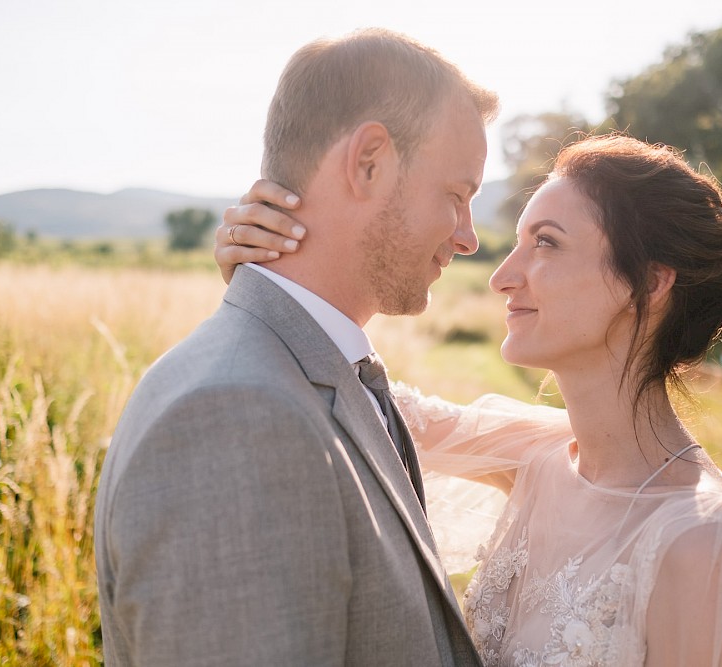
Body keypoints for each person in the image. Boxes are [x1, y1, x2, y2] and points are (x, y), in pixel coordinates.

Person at [216, 133, 722, 665]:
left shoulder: (702, 539)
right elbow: (352, 398)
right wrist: (276, 273)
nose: (503, 277)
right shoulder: (530, 456)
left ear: (650, 283)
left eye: (546, 243)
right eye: (517, 243)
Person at [93, 28, 499, 666]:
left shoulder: (305, 372)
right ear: (369, 162)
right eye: (456, 195)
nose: (470, 237)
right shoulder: (234, 418)